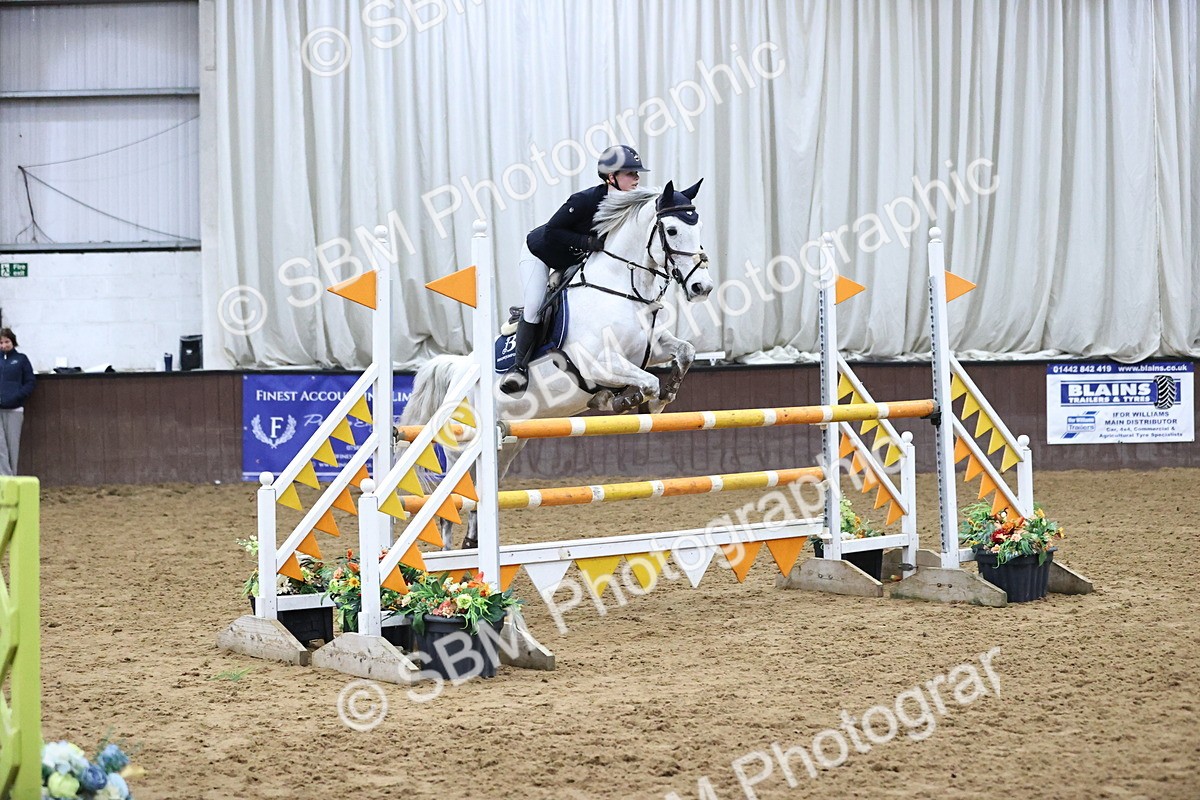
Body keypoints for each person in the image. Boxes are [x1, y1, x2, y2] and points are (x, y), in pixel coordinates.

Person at [499, 144, 650, 394]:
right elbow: (552, 230)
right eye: (630, 174)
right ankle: (519, 369)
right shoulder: (585, 200)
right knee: (536, 304)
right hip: (541, 253)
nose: (636, 178)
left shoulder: (630, 204)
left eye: (637, 174)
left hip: (575, 259)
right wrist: (587, 242)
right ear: (611, 177)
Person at [0, 327, 35, 476]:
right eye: (1, 343)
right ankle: (4, 478)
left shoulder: (21, 359)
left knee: (12, 446)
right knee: (0, 446)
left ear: (12, 342)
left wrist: (16, 397)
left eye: (6, 341)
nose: (4, 345)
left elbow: (30, 382)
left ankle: (12, 478)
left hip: (14, 409)